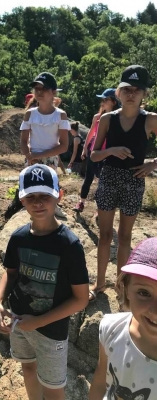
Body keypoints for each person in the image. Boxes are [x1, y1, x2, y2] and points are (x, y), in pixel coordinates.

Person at [0, 164, 89, 400]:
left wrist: (37, 322)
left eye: (45, 195)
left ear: (59, 195)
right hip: (19, 321)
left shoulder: (69, 245)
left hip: (51, 330)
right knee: (27, 367)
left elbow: (81, 299)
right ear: (21, 199)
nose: (38, 202)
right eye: (31, 196)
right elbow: (11, 272)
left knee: (54, 388)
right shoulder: (18, 238)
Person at [89, 65, 157, 301]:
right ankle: (99, 283)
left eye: (137, 90)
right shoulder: (108, 119)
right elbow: (93, 154)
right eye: (126, 89)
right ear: (118, 92)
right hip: (109, 178)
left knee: (125, 236)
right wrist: (112, 150)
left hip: (134, 181)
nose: (131, 94)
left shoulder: (150, 120)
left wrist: (152, 164)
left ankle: (120, 286)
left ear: (144, 94)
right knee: (105, 234)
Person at [89, 237, 157, 400]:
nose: (155, 311)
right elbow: (100, 381)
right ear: (125, 289)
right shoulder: (111, 328)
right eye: (144, 293)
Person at [20, 72, 70, 217]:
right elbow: (23, 141)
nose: (40, 92)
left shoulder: (60, 115)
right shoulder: (30, 114)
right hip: (32, 157)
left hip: (50, 158)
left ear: (53, 92)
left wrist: (38, 155)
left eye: (44, 89)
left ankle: (54, 207)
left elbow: (64, 145)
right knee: (31, 189)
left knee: (48, 189)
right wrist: (29, 155)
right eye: (37, 89)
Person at [73, 88, 119, 213]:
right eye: (102, 100)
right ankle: (81, 203)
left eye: (105, 99)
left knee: (103, 183)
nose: (102, 102)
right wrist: (84, 149)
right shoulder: (97, 117)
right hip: (94, 152)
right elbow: (91, 133)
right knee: (88, 178)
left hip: (108, 155)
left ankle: (100, 211)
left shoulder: (119, 119)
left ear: (114, 102)